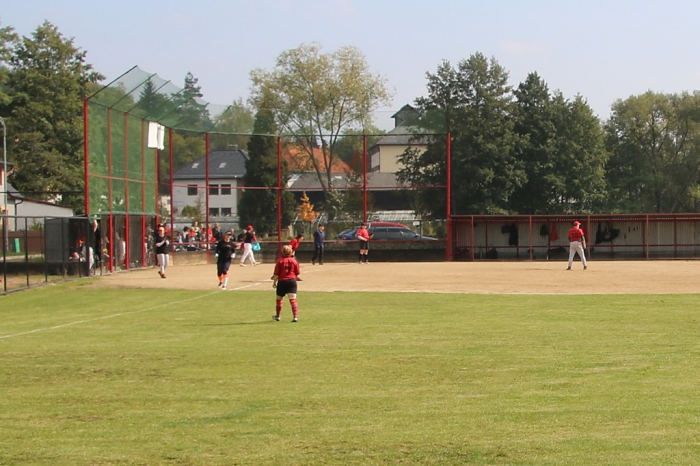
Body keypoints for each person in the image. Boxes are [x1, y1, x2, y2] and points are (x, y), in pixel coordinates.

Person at [271, 245, 301, 322]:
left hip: (282, 282)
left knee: (279, 299)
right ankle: (295, 317)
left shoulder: (280, 261)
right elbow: (297, 273)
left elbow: (276, 274)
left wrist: (274, 282)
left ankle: (278, 316)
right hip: (291, 281)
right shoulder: (294, 261)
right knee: (293, 299)